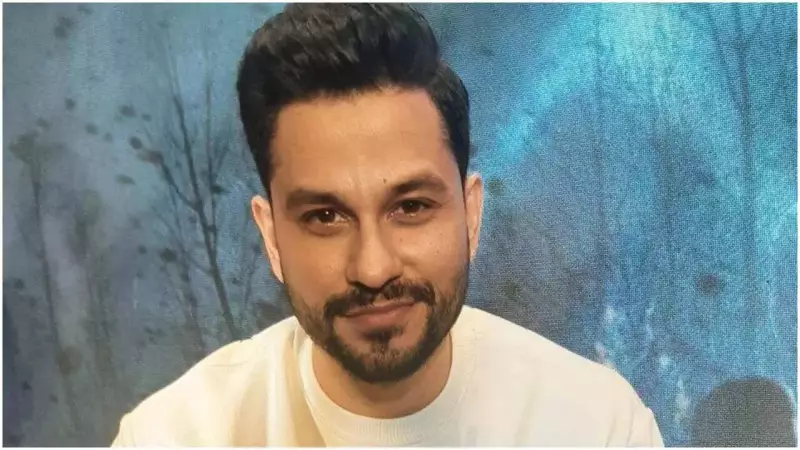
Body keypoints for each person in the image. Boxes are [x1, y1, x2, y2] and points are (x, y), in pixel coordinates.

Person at [112, 4, 664, 446]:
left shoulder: (598, 427)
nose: (373, 268)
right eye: (325, 217)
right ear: (272, 236)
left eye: (411, 207)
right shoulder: (174, 436)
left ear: (471, 215)